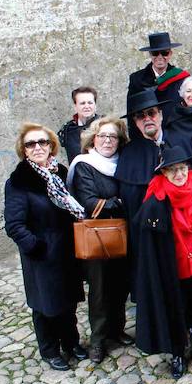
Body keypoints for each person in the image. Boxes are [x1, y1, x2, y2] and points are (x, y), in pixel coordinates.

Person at [133, 147, 192, 379]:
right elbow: (146, 238)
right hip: (172, 265)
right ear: (163, 173)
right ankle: (177, 352)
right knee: (176, 308)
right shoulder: (156, 199)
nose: (179, 174)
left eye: (182, 169)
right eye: (173, 170)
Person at [5, 123, 87, 371]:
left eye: (42, 142)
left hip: (65, 251)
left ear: (51, 145)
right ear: (24, 150)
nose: (37, 147)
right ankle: (50, 350)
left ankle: (71, 342)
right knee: (45, 306)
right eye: (31, 144)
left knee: (68, 301)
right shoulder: (19, 181)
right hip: (41, 254)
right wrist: (36, 247)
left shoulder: (59, 172)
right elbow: (14, 224)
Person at [67, 116, 132, 364]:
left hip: (121, 233)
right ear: (93, 139)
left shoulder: (122, 163)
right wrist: (117, 203)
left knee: (120, 284)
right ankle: (98, 339)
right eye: (102, 136)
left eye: (113, 136)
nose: (107, 140)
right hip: (97, 235)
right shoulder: (84, 165)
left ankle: (117, 329)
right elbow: (87, 200)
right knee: (100, 289)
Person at [115, 89, 192, 248]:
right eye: (140, 116)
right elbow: (131, 201)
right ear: (136, 122)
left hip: (186, 227)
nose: (147, 119)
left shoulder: (181, 141)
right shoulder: (129, 153)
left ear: (161, 114)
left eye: (151, 113)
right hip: (151, 234)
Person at [128, 32, 191, 122]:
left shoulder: (182, 79)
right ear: (150, 54)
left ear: (170, 54)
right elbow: (131, 112)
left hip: (174, 131)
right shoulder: (136, 80)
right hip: (147, 131)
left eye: (164, 53)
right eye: (155, 53)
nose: (160, 57)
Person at [58, 87, 99, 163]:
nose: (87, 106)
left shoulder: (104, 126)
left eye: (90, 103)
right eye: (82, 103)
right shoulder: (67, 129)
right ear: (75, 106)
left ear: (95, 105)